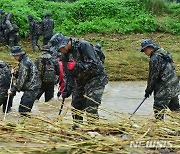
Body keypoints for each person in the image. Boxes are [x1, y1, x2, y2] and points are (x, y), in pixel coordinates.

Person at [49, 33, 108, 125]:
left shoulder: (84, 46)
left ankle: (93, 129)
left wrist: (77, 66)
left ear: (64, 44)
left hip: (96, 78)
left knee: (91, 105)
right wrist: (67, 89)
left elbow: (94, 65)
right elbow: (68, 74)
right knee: (76, 106)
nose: (60, 51)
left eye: (59, 48)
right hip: (80, 80)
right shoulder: (65, 55)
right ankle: (78, 128)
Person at [140, 38, 180, 120]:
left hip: (164, 88)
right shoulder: (165, 53)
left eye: (144, 50)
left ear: (150, 48)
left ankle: (158, 128)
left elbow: (153, 76)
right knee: (176, 110)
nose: (144, 53)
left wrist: (148, 90)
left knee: (158, 109)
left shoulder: (155, 58)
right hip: (174, 86)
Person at [8, 46, 40, 116]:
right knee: (24, 110)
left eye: (14, 56)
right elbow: (24, 76)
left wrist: (12, 89)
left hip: (32, 89)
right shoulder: (26, 60)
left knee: (23, 111)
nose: (14, 58)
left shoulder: (24, 63)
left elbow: (21, 81)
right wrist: (16, 73)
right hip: (33, 87)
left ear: (18, 55)